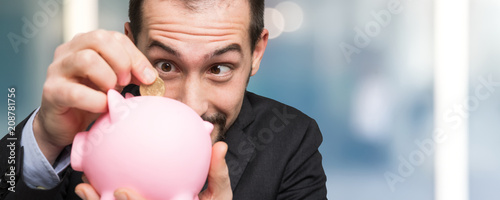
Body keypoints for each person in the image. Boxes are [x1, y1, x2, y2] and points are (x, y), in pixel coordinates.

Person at [0, 0, 327, 199]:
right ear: (132, 45)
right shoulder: (89, 119)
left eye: (219, 68)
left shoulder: (290, 140)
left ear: (256, 53)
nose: (191, 105)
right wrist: (44, 138)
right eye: (165, 66)